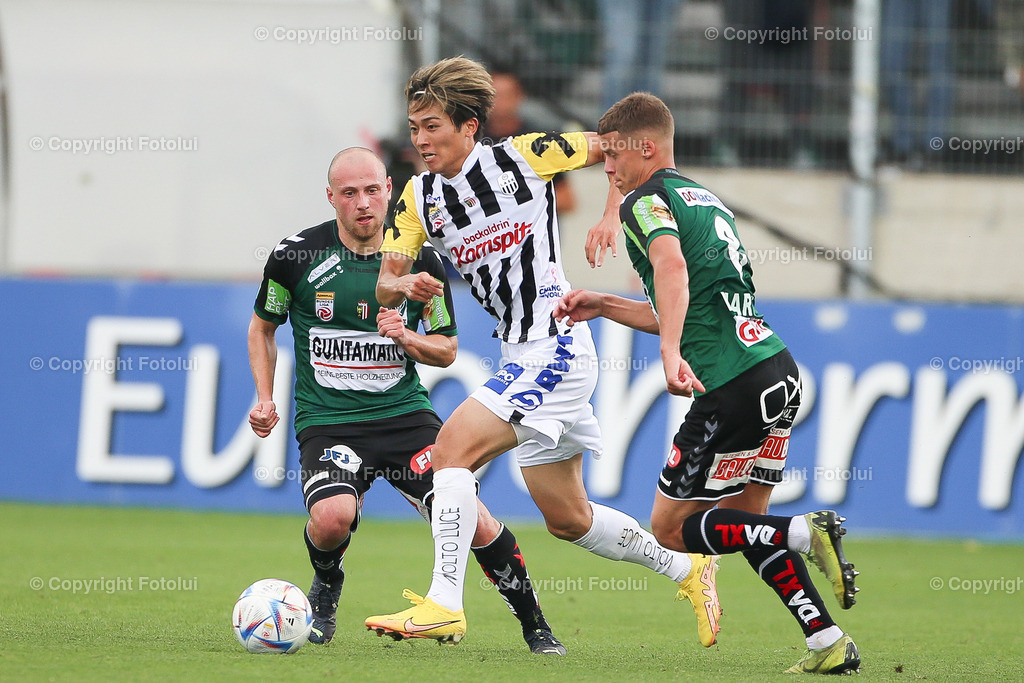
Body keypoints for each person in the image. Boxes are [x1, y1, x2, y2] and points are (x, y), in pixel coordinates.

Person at [364, 56, 722, 649]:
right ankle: (688, 569)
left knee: (448, 454)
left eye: (432, 126)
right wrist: (404, 287)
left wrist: (612, 213)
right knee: (569, 519)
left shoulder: (526, 155)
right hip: (518, 353)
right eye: (415, 127)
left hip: (555, 343)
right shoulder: (418, 197)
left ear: (469, 127)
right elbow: (385, 279)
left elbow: (623, 144)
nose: (421, 140)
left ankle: (443, 605)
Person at [554, 92, 861, 674]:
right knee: (750, 523)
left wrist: (669, 353)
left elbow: (670, 272)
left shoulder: (643, 202)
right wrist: (606, 304)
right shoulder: (705, 200)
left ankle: (805, 530)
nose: (606, 168)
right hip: (776, 370)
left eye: (613, 156)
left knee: (671, 530)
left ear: (647, 147)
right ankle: (828, 642)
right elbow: (686, 302)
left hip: (729, 385)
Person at [247, 146, 566, 655]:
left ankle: (536, 625)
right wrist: (264, 398)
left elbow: (447, 350)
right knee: (331, 519)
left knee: (471, 519)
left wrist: (408, 341)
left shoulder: (421, 259)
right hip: (329, 421)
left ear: (389, 191)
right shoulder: (296, 257)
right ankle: (327, 584)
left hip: (404, 419)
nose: (363, 203)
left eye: (372, 190)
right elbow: (262, 328)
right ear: (331, 197)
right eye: (349, 193)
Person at [483, 70, 577, 215]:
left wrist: (517, 204)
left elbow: (566, 199)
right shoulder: (470, 141)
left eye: (505, 95)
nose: (499, 103)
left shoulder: (538, 141)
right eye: (493, 96)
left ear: (519, 97)